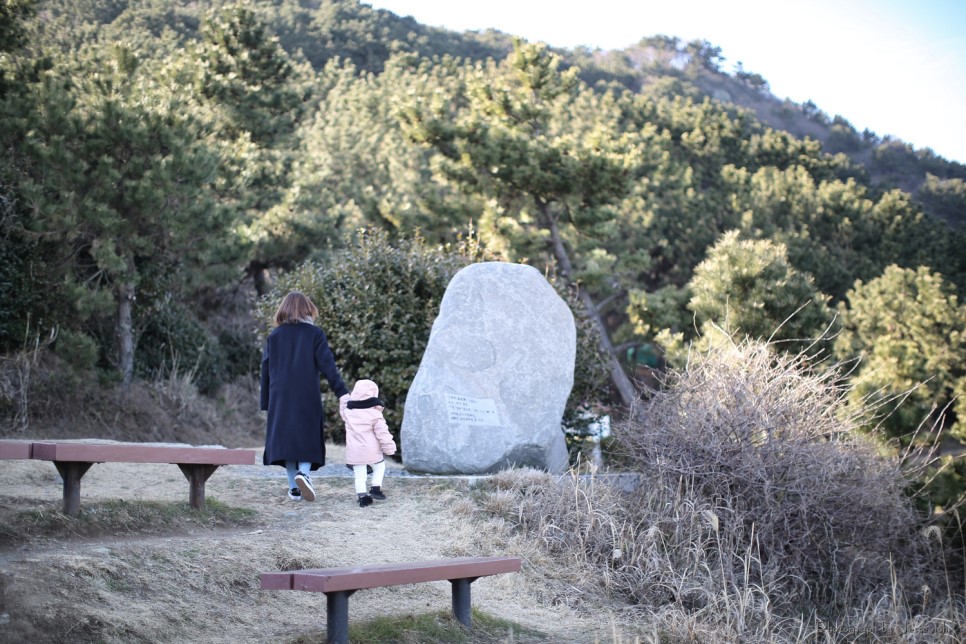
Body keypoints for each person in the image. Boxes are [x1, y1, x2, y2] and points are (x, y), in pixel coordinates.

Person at [260, 291, 349, 502]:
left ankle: (294, 489)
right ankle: (304, 475)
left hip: (279, 396)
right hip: (306, 393)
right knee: (307, 436)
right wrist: (342, 392)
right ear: (307, 310)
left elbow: (265, 369)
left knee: (286, 441)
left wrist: (266, 402)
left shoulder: (274, 336)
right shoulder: (314, 334)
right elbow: (328, 365)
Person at [340, 379, 397, 507]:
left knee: (360, 475)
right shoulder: (375, 414)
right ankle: (375, 489)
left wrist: (344, 397)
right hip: (371, 451)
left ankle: (363, 498)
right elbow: (383, 433)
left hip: (354, 451)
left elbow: (343, 407)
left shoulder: (348, 412)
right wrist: (389, 448)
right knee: (379, 467)